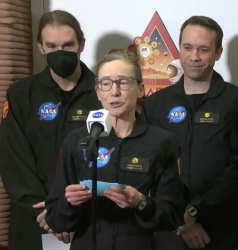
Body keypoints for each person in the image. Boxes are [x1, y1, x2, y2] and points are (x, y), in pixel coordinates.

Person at [140, 16, 238, 250]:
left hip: (221, 230)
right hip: (169, 230)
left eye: (204, 49)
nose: (194, 57)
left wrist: (196, 210)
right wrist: (183, 219)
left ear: (218, 53)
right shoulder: (155, 104)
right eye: (187, 47)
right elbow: (150, 166)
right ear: (179, 49)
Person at [45, 48, 185, 250]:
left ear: (141, 89)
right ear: (98, 92)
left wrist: (141, 202)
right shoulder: (77, 141)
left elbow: (173, 216)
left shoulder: (161, 142)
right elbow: (55, 219)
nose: (114, 91)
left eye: (124, 82)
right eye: (106, 83)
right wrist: (70, 203)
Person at [0, 10, 101, 250]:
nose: (60, 52)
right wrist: (48, 212)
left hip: (88, 219)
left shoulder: (104, 94)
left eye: (67, 45)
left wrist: (68, 212)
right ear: (40, 48)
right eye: (52, 46)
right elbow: (13, 158)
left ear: (81, 44)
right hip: (35, 217)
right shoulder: (21, 94)